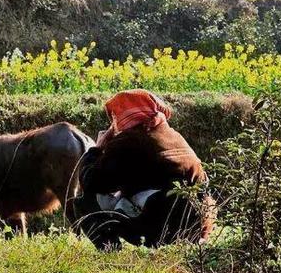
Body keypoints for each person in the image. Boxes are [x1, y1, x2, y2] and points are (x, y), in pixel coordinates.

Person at [70, 89, 216, 251]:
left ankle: (110, 251)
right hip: (200, 225)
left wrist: (97, 149)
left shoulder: (128, 141)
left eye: (115, 116)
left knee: (83, 202)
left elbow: (92, 181)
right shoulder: (170, 134)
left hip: (164, 228)